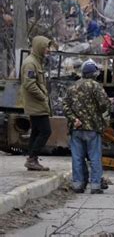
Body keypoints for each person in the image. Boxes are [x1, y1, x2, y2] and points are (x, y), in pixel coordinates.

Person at [63, 61, 111, 194]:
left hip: (76, 128)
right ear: (94, 74)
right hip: (92, 128)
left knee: (77, 157)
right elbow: (104, 104)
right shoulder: (96, 86)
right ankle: (95, 185)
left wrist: (74, 119)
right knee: (94, 157)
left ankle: (78, 184)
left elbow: (65, 105)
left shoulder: (73, 87)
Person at [21, 35, 54, 171]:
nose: (48, 50)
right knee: (46, 131)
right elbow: (29, 84)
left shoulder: (36, 61)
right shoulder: (31, 63)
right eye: (46, 47)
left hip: (37, 103)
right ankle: (32, 158)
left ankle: (32, 159)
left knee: (36, 131)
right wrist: (42, 97)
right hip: (36, 103)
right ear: (39, 47)